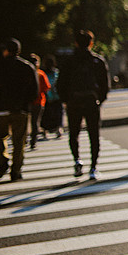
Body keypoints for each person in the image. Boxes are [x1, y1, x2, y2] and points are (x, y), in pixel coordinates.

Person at [0, 38, 39, 181]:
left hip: (0, 109)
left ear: (6, 51)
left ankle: (2, 163)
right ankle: (16, 170)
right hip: (20, 110)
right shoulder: (27, 67)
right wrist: (26, 103)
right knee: (19, 141)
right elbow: (34, 90)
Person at [57, 30, 110, 181]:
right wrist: (100, 99)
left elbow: (60, 83)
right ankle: (93, 167)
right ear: (91, 43)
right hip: (92, 102)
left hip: (73, 102)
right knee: (94, 135)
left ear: (75, 43)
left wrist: (66, 100)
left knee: (74, 133)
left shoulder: (68, 61)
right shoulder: (97, 61)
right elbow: (105, 85)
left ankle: (77, 160)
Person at [26, 53, 51, 150]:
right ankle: (33, 141)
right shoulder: (40, 74)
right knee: (35, 122)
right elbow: (46, 87)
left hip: (26, 101)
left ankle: (24, 140)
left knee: (25, 122)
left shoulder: (25, 74)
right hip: (39, 101)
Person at [40, 55, 63, 138]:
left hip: (50, 96)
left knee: (48, 114)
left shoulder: (51, 72)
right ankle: (54, 129)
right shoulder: (54, 73)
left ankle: (50, 129)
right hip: (52, 96)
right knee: (53, 113)